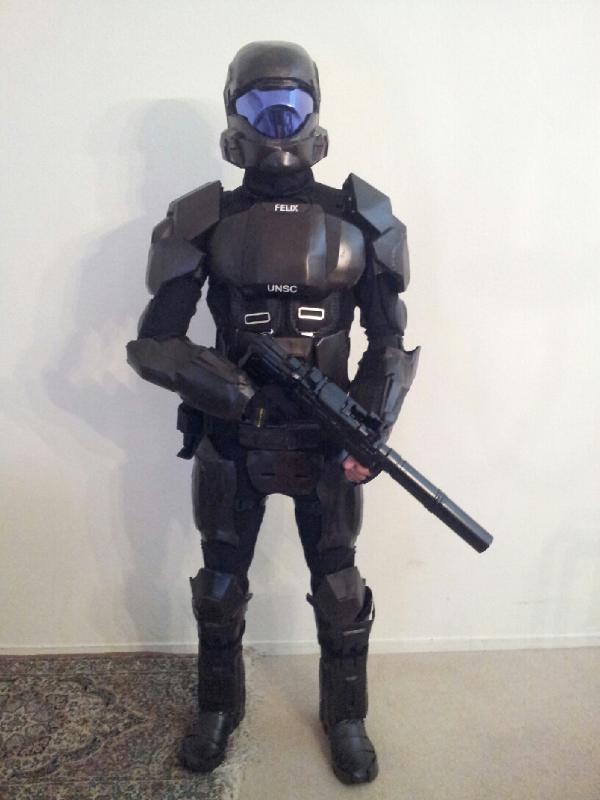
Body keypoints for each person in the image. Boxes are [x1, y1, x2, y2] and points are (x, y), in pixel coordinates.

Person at [127, 40, 419, 785]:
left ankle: (345, 716)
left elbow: (388, 341)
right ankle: (218, 709)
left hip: (329, 441)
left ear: (317, 111)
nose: (278, 120)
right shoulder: (203, 217)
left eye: (292, 103)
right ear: (234, 115)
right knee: (221, 584)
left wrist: (371, 427)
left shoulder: (363, 216)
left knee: (340, 586)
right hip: (233, 436)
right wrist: (227, 390)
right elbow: (155, 343)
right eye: (260, 104)